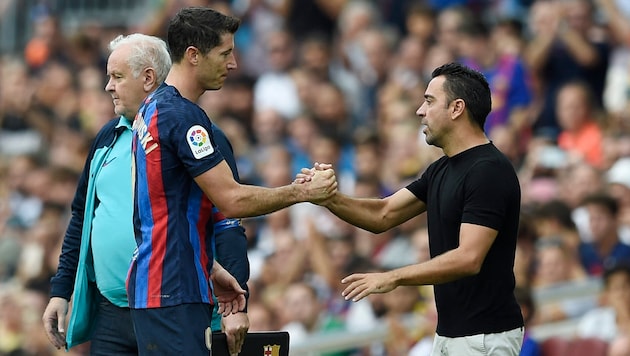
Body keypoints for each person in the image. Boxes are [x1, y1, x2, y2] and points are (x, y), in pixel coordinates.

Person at [128, 7, 336, 355]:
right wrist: (303, 192)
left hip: (160, 284)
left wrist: (209, 266)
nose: (234, 63)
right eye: (225, 53)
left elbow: (160, 212)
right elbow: (233, 201)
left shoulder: (151, 109)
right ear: (193, 55)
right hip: (174, 289)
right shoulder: (184, 118)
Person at [41, 33, 249, 356]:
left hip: (172, 311)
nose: (108, 86)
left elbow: (228, 224)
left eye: (117, 77)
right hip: (110, 315)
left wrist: (237, 306)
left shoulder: (200, 133)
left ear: (148, 78)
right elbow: (82, 217)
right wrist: (61, 290)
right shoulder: (106, 138)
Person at [298, 62, 524, 355]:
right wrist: (328, 197)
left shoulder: (489, 171)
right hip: (449, 335)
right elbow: (383, 214)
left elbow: (469, 258)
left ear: (457, 108)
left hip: (484, 338)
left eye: (429, 101)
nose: (420, 110)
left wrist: (393, 277)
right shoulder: (442, 168)